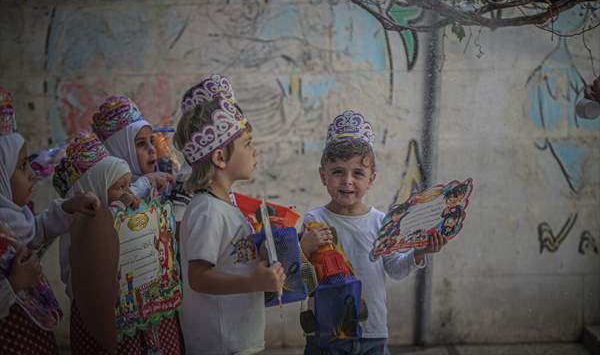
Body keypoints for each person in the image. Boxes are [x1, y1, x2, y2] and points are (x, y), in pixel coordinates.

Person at [299, 110, 447, 355]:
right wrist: (304, 247)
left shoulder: (381, 222)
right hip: (327, 334)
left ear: (371, 178)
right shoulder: (315, 220)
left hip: (373, 333)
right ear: (323, 175)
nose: (347, 180)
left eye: (358, 173)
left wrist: (419, 252)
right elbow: (302, 279)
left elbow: (395, 269)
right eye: (338, 171)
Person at [173, 92, 286, 354]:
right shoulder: (207, 211)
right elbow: (198, 278)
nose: (254, 150)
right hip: (221, 344)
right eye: (247, 144)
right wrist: (254, 283)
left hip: (239, 340)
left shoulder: (225, 205)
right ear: (220, 157)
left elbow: (231, 260)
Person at [53, 133, 181, 354]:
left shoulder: (130, 209)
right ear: (97, 190)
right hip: (104, 319)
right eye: (121, 188)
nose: (131, 196)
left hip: (138, 311)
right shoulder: (83, 230)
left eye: (129, 187)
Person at [0, 87, 99, 354]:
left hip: (33, 336)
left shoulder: (13, 221)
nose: (31, 174)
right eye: (21, 166)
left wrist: (70, 206)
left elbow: (37, 231)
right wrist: (14, 285)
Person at [91, 95, 175, 201]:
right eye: (141, 144)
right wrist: (144, 184)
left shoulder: (163, 179)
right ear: (120, 151)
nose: (152, 149)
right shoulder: (105, 191)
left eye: (151, 141)